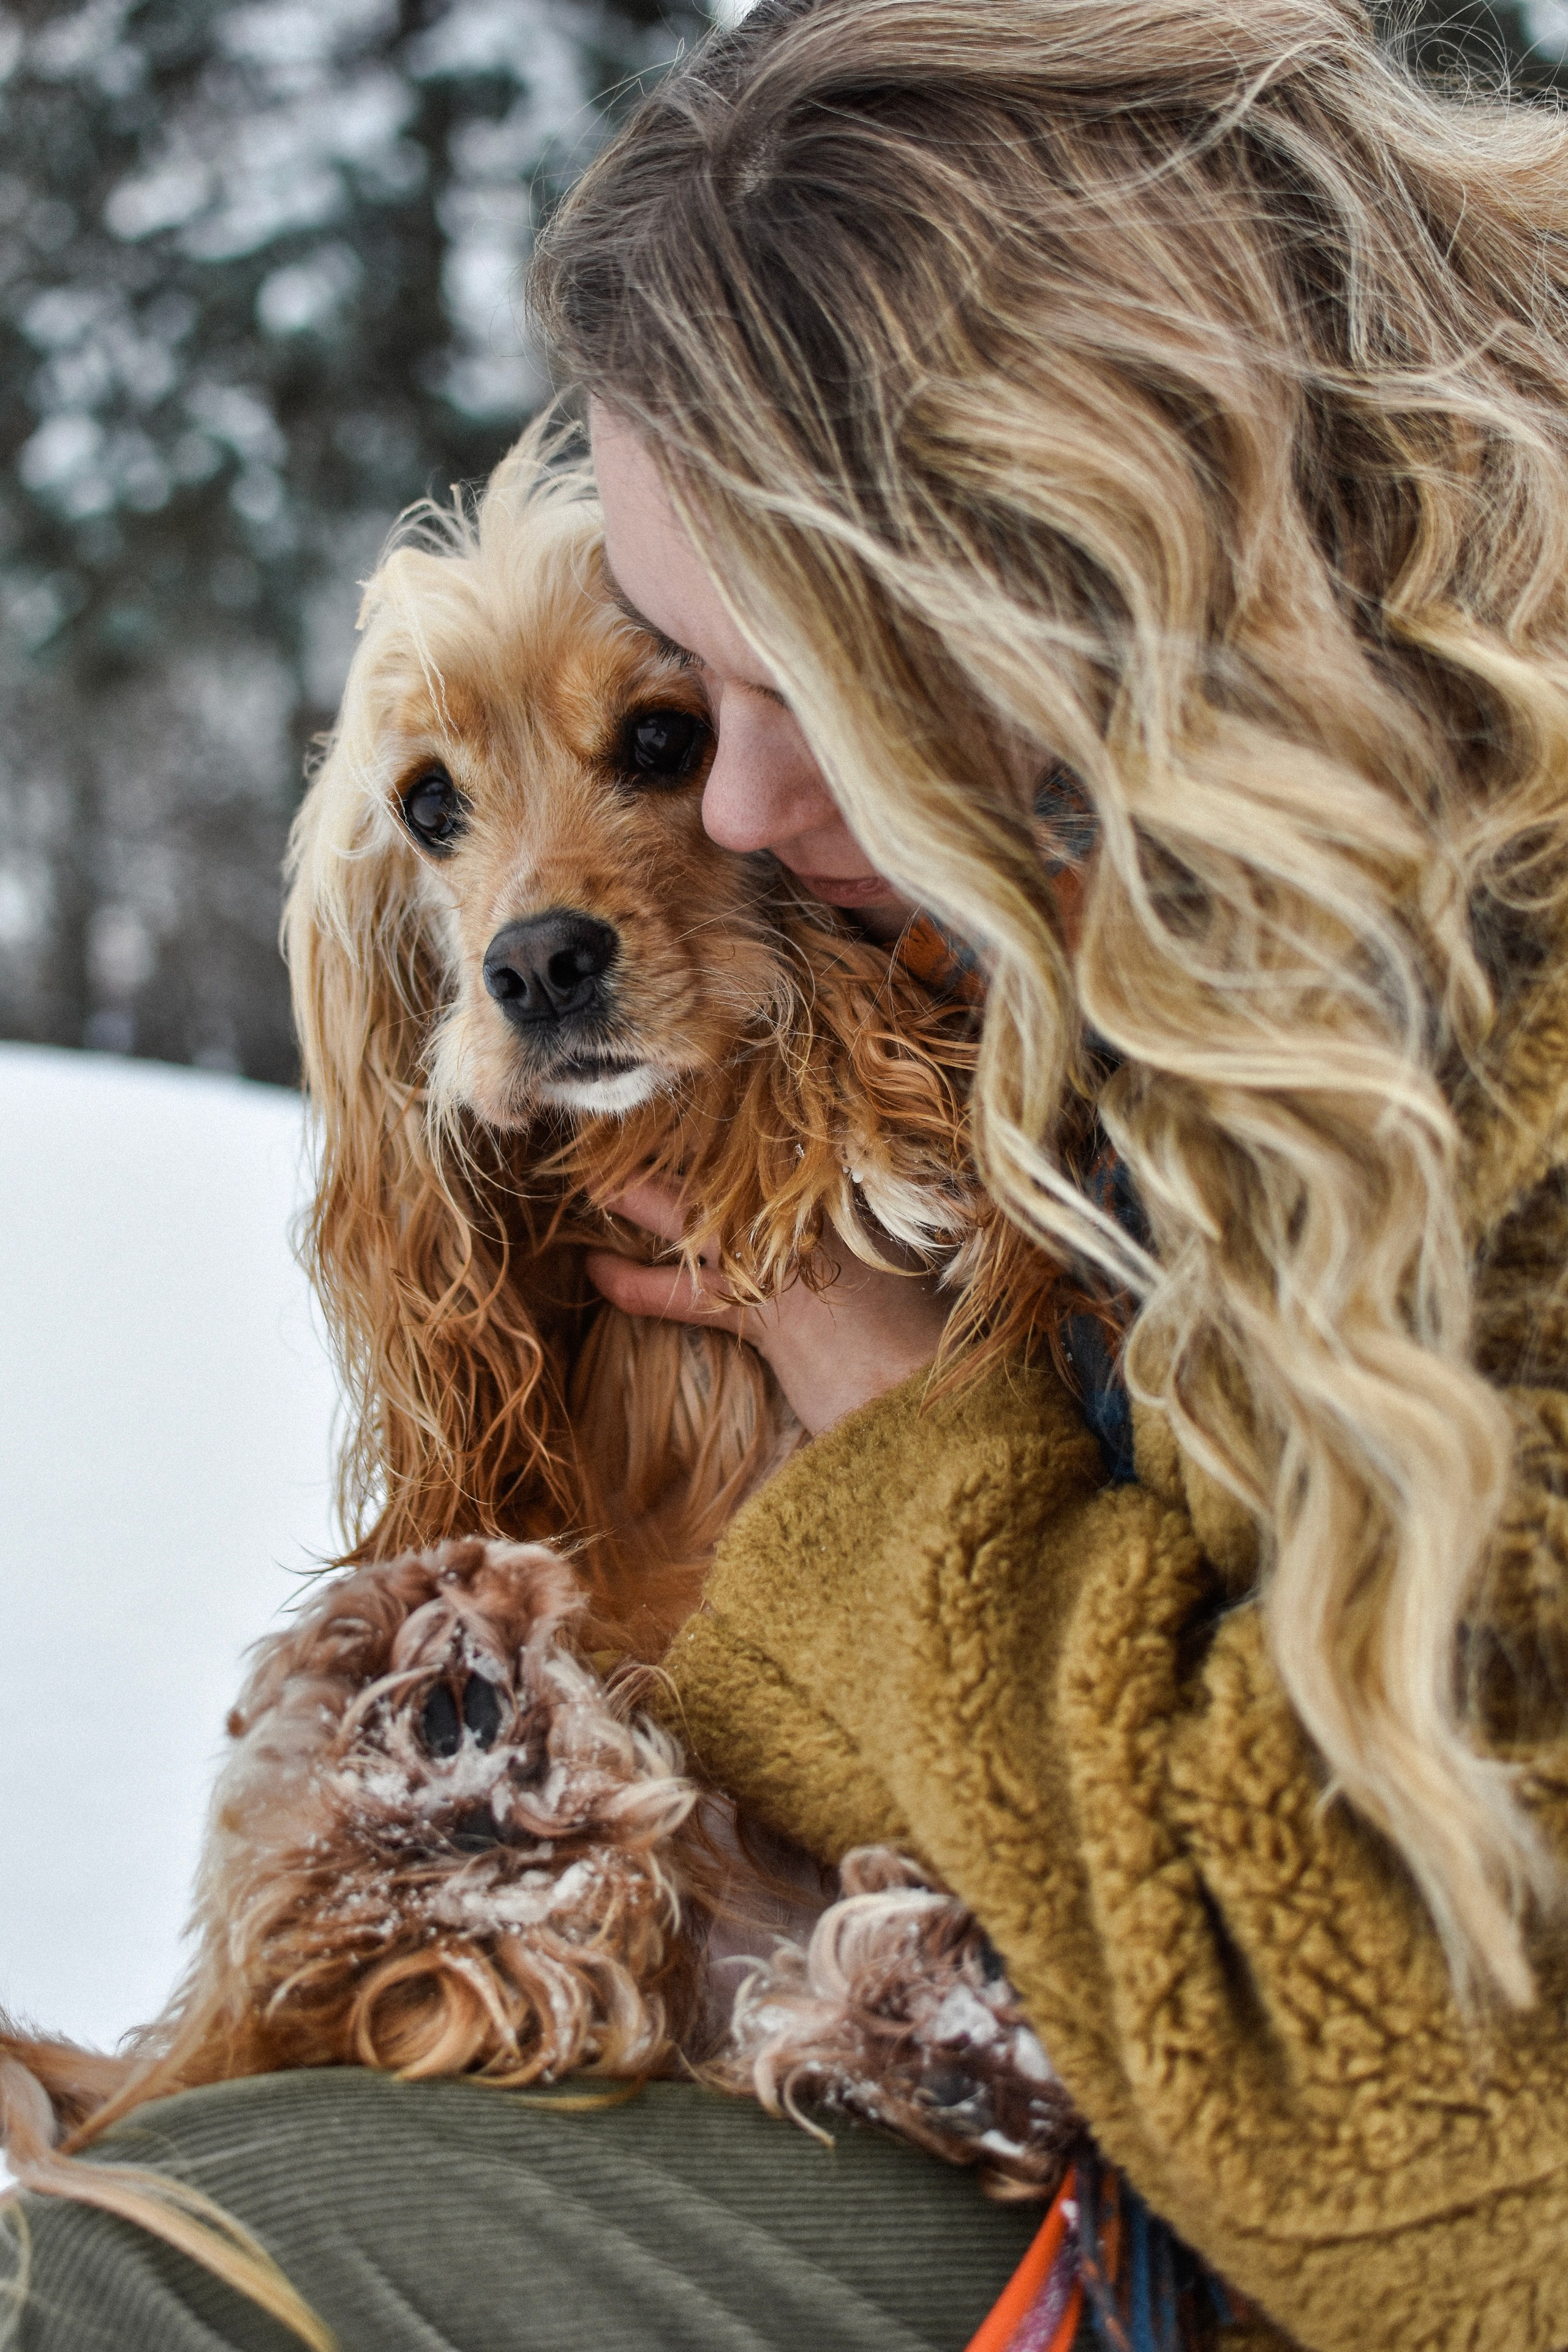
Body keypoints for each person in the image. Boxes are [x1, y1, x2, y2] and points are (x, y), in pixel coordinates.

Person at [8, 5, 1568, 2348]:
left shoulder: (1448, 1082)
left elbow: (1437, 2159)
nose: (727, 819)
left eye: (754, 695)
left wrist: (905, 1439)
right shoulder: (1162, 997)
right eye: (688, 710)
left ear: (1075, 577)